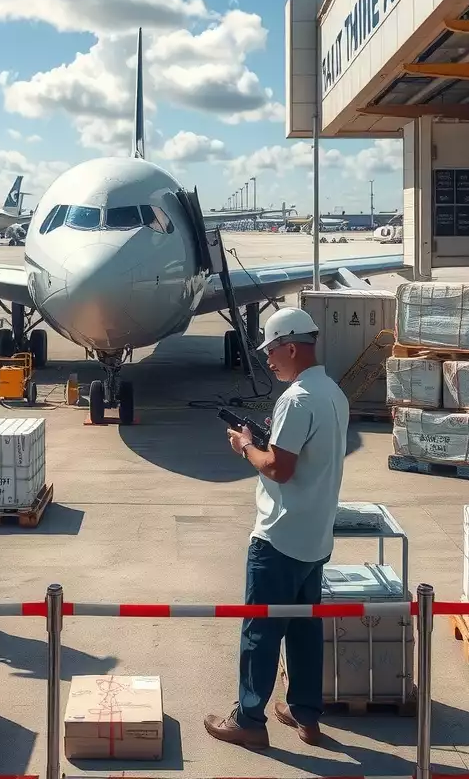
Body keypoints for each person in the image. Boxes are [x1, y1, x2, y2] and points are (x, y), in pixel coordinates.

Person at [204, 306, 348, 751]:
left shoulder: (296, 399)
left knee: (260, 631)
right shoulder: (332, 393)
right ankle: (306, 715)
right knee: (305, 630)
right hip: (315, 535)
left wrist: (246, 446)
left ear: (290, 346)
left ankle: (249, 718)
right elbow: (306, 458)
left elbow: (278, 469)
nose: (268, 361)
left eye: (271, 352)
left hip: (279, 536)